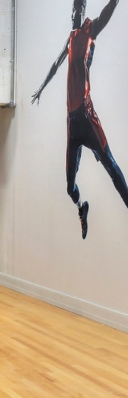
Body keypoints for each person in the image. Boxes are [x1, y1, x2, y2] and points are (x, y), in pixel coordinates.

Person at [32, 0, 128, 239]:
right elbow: (56, 64)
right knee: (69, 188)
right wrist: (42, 87)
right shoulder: (71, 37)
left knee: (111, 167)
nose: (77, 10)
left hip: (86, 116)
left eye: (80, 6)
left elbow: (108, 12)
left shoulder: (90, 30)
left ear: (84, 10)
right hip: (73, 125)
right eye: (74, 7)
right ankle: (82, 209)